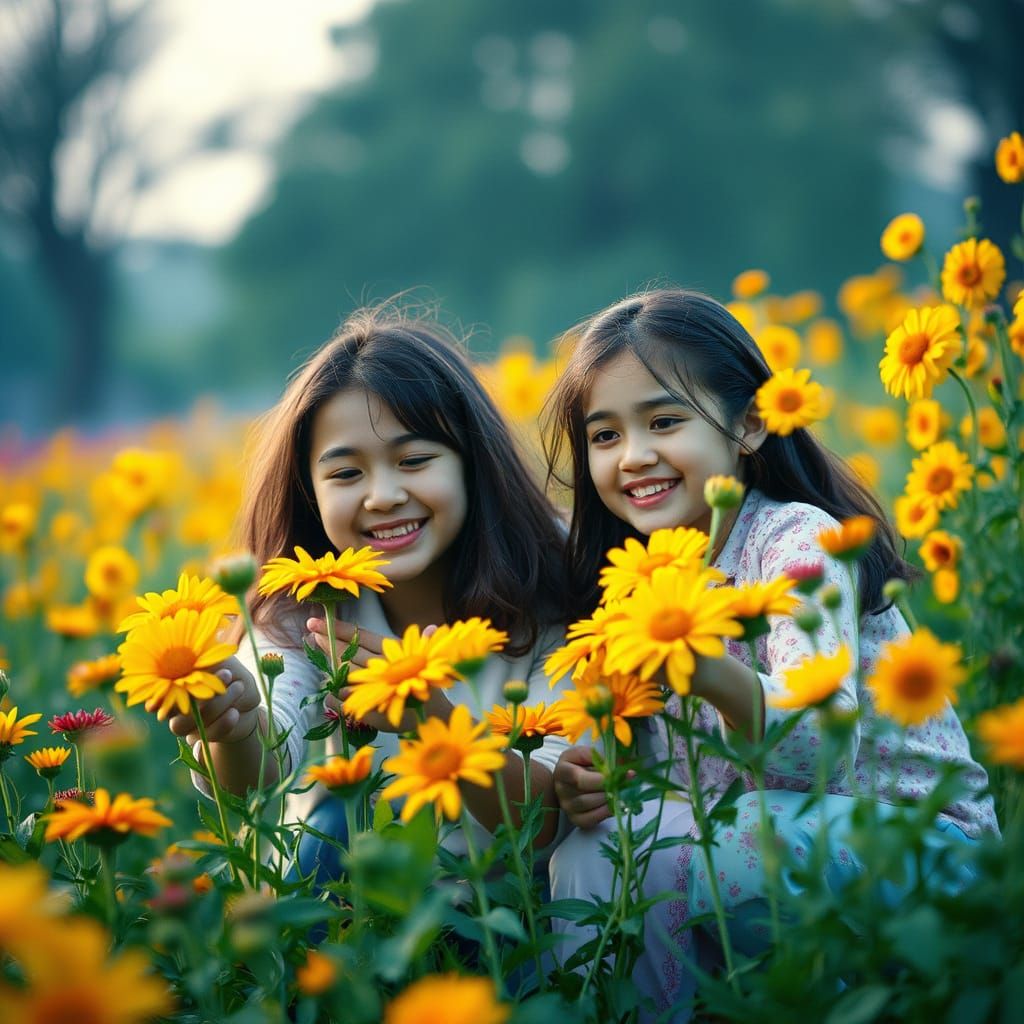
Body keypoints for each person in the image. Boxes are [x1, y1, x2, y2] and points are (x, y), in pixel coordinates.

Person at [542, 288, 998, 1018]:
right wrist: (596, 780)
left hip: (922, 853)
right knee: (593, 850)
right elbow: (672, 789)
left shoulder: (795, 542)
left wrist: (700, 661)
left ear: (749, 423)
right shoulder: (636, 583)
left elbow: (817, 757)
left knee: (701, 849)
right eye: (604, 436)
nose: (634, 456)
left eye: (664, 420)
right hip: (769, 852)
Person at [166, 303, 570, 877]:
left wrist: (431, 717)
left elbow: (546, 815)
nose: (382, 496)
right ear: (309, 492)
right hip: (371, 893)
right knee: (327, 830)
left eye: (414, 459)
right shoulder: (304, 601)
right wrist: (231, 727)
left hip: (519, 900)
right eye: (346, 473)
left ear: (472, 463)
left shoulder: (554, 573)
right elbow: (264, 758)